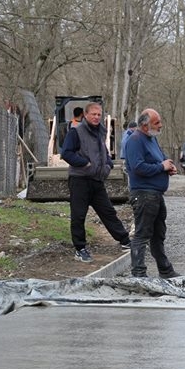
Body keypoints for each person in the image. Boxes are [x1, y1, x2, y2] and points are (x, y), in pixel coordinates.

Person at [60, 101, 131, 262]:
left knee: (108, 212)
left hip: (97, 180)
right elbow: (66, 153)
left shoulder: (100, 132)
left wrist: (108, 165)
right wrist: (85, 163)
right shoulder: (76, 132)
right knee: (78, 215)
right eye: (93, 114)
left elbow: (104, 152)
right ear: (86, 115)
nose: (96, 117)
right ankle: (80, 248)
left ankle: (125, 240)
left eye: (99, 114)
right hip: (79, 180)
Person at [123, 109, 180, 279]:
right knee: (142, 235)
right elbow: (138, 167)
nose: (160, 125)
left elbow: (161, 158)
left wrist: (169, 166)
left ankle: (165, 270)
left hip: (155, 195)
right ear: (144, 126)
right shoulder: (135, 140)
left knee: (158, 235)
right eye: (157, 123)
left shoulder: (152, 139)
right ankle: (138, 274)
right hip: (143, 194)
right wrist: (161, 167)